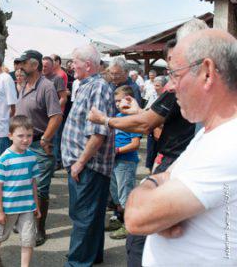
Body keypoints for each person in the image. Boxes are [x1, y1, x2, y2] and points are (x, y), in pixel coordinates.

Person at [124, 29, 237, 266]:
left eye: (175, 75)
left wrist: (150, 187)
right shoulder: (209, 134)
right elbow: (165, 176)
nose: (170, 87)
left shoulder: (227, 142)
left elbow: (136, 218)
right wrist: (157, 185)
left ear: (207, 73)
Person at [87, 40, 195, 266]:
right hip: (167, 162)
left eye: (175, 64)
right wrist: (139, 112)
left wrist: (105, 120)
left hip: (169, 163)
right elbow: (154, 121)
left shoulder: (179, 90)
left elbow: (146, 125)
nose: (171, 71)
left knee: (139, 238)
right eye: (170, 63)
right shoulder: (181, 93)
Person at [61, 44, 116, 266]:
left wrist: (80, 163)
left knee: (83, 216)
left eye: (75, 61)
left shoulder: (99, 87)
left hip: (87, 165)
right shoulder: (87, 85)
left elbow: (98, 132)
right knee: (90, 215)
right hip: (84, 164)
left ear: (88, 64)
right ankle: (91, 256)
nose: (71, 65)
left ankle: (78, 262)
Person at [5, 50, 62, 246]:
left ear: (35, 65)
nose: (19, 67)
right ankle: (24, 222)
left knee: (40, 190)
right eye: (18, 63)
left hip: (39, 145)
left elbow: (56, 116)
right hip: (22, 145)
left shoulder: (46, 87)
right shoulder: (23, 85)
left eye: (23, 63)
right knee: (24, 184)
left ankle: (39, 229)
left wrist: (46, 139)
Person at [0, 116, 41, 267]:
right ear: (10, 136)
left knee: (28, 239)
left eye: (29, 136)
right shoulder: (5, 158)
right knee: (0, 235)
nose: (25, 140)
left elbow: (33, 183)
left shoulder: (31, 157)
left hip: (27, 207)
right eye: (20, 136)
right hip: (9, 208)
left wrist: (36, 205)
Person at [105, 86, 142, 240]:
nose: (117, 104)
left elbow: (135, 144)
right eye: (116, 101)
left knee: (125, 195)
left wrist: (118, 151)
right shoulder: (118, 116)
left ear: (130, 99)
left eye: (120, 101)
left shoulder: (131, 119)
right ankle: (120, 220)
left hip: (126, 162)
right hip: (115, 162)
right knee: (116, 195)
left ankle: (130, 226)